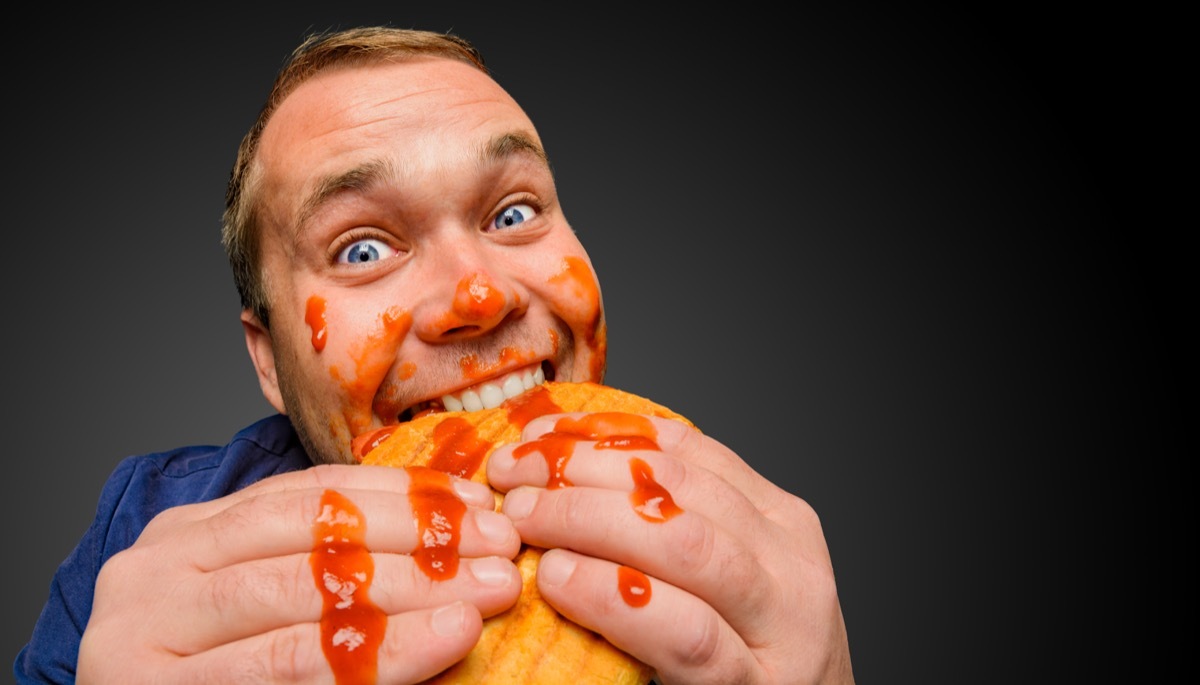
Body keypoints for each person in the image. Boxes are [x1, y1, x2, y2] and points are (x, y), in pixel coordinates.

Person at [15, 25, 854, 684]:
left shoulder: (721, 550)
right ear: (268, 360)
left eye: (514, 212)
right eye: (363, 248)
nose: (479, 296)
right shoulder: (144, 538)